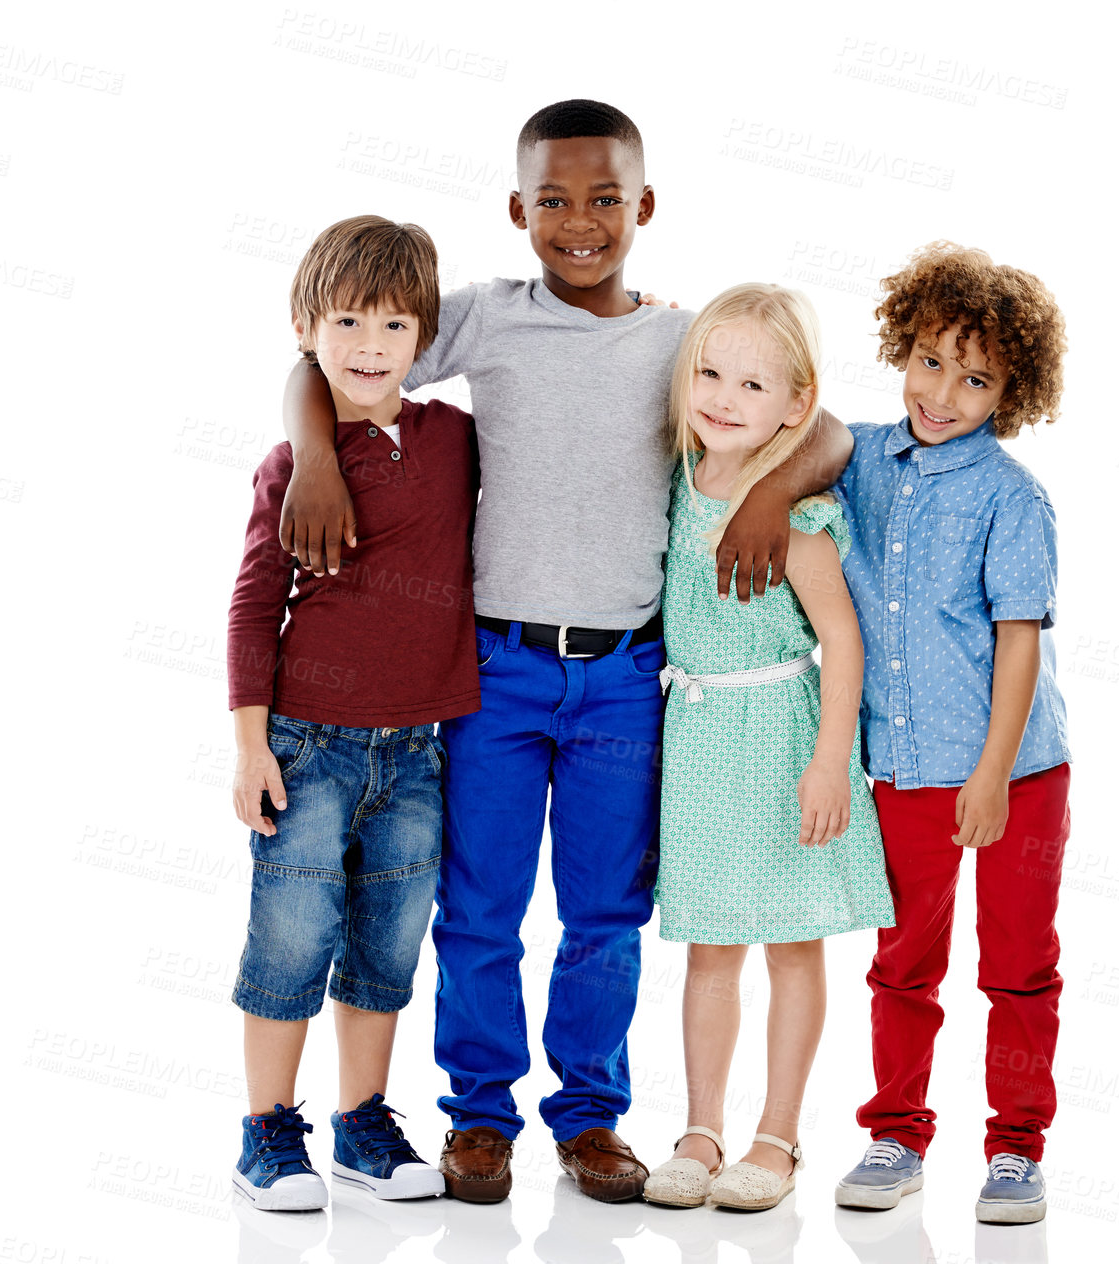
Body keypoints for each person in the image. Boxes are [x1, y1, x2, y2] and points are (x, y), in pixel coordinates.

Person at [276, 101, 853, 1204]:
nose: (579, 222)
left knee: (604, 915)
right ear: (517, 209)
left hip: (630, 680)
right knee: (482, 907)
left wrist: (777, 487)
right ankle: (479, 1119)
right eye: (553, 201)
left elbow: (827, 427)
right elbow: (331, 352)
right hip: (496, 672)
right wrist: (313, 449)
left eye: (603, 200)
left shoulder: (684, 341)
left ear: (643, 206)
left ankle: (589, 1118)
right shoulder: (486, 319)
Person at [225, 215, 477, 1210]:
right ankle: (264, 1131)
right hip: (310, 747)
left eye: (394, 324)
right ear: (306, 324)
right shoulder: (293, 464)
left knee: (388, 941)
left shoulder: (457, 441)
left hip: (422, 749)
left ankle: (361, 1120)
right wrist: (250, 746)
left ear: (425, 336)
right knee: (290, 936)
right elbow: (253, 604)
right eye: (347, 322)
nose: (370, 346)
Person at [830, 242, 1071, 1224]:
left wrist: (991, 774)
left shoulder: (1012, 498)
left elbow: (1018, 648)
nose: (944, 392)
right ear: (903, 347)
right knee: (903, 959)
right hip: (899, 765)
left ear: (1010, 391)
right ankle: (896, 1132)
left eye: (976, 378)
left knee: (1017, 961)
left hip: (1014, 769)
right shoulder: (858, 460)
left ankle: (1016, 1148)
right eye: (931, 361)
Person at [641, 283, 894, 1213]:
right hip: (700, 739)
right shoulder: (677, 476)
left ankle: (777, 1135)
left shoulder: (799, 513)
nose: (720, 397)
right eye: (707, 372)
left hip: (780, 736)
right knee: (710, 948)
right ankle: (701, 1127)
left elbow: (842, 640)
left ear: (796, 404)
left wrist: (831, 762)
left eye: (751, 384)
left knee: (792, 946)